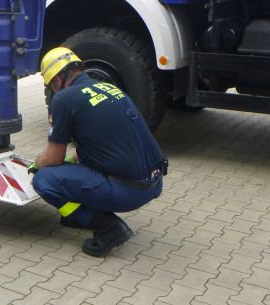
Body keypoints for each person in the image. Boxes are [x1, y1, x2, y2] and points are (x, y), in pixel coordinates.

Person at [30, 47, 167, 256]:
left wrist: (35, 164)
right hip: (154, 182)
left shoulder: (64, 99)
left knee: (44, 179)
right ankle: (76, 216)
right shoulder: (106, 88)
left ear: (57, 80)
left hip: (128, 191)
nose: (54, 91)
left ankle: (109, 228)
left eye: (51, 86)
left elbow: (52, 158)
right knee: (68, 167)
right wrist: (69, 161)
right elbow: (95, 147)